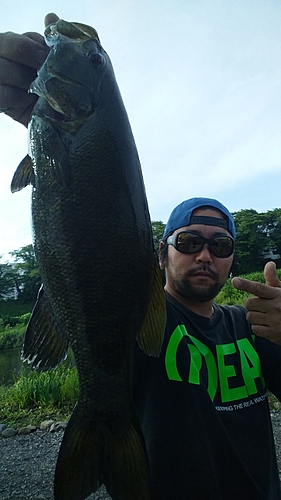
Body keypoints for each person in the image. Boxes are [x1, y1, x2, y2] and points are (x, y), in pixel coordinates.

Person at [1, 14, 281, 500]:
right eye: (189, 242)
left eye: (220, 246)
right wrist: (41, 115)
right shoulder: (143, 324)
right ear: (160, 253)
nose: (204, 256)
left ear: (233, 260)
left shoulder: (255, 326)